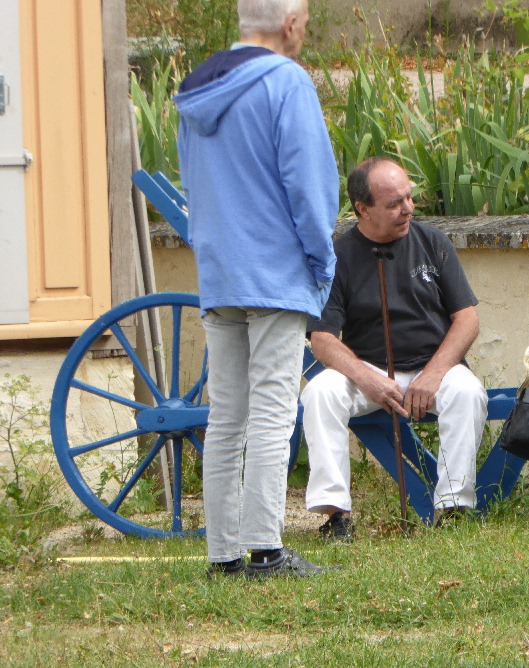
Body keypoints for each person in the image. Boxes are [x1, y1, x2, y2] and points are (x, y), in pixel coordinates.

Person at [174, 0, 339, 578]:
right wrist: (321, 265)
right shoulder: (287, 82)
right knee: (272, 411)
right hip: (275, 273)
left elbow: (189, 179)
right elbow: (311, 186)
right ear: (291, 23)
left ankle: (223, 554)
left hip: (219, 273)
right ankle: (267, 550)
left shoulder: (195, 89)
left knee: (227, 416)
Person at [302, 157, 487, 539]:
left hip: (432, 367)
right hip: (365, 372)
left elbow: (467, 319)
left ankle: (452, 509)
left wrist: (434, 374)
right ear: (363, 209)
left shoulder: (432, 242)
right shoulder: (338, 257)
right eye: (394, 203)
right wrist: (368, 380)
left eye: (409, 197)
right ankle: (337, 516)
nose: (408, 209)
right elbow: (322, 338)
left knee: (467, 391)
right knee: (320, 392)